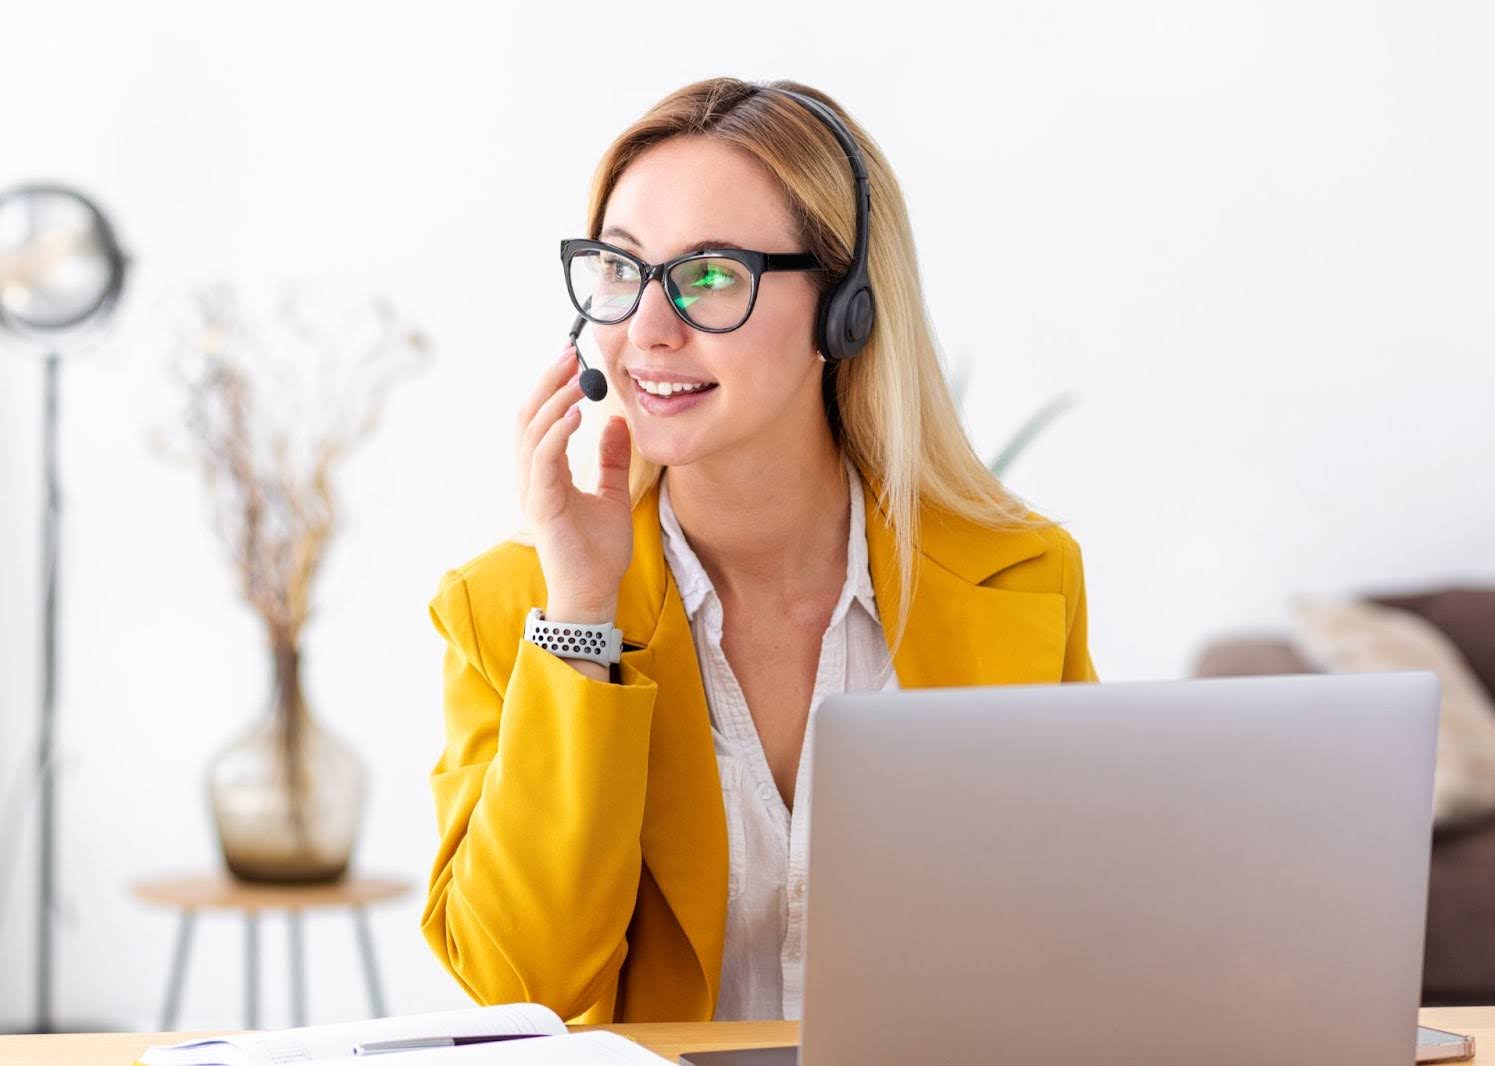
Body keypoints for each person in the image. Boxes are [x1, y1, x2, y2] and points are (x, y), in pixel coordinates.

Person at [421, 76, 1099, 1025]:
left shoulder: (1019, 581)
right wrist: (581, 620)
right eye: (621, 269)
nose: (646, 332)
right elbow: (524, 995)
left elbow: (1081, 942)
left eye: (709, 277)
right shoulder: (513, 610)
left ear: (844, 311)